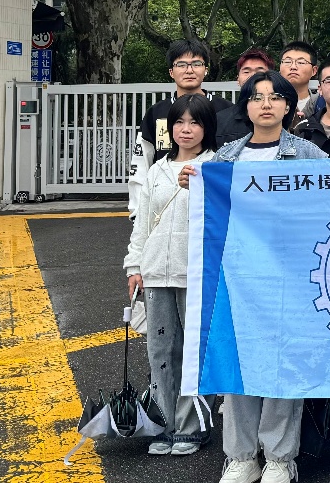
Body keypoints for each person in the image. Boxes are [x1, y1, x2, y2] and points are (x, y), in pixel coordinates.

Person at [180, 71, 327, 483]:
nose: (266, 104)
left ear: (288, 105)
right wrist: (193, 182)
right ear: (245, 106)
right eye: (257, 97)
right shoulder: (225, 157)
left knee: (284, 361)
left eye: (275, 96)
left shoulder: (309, 155)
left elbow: (328, 207)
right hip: (236, 276)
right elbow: (209, 211)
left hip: (290, 277)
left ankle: (280, 458)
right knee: (236, 359)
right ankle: (241, 456)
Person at [125, 93, 217, 456]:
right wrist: (135, 266)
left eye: (195, 122)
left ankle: (192, 427)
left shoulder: (216, 166)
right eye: (179, 122)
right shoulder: (156, 170)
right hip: (156, 273)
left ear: (207, 128)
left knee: (195, 351)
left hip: (196, 274)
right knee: (160, 350)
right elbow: (142, 224)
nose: (186, 129)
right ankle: (163, 423)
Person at [130, 38, 233, 217]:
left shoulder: (227, 110)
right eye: (181, 64)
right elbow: (141, 162)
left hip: (214, 205)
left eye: (196, 64)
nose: (189, 70)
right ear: (171, 72)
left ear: (206, 69)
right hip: (164, 205)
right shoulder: (156, 112)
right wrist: (137, 212)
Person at [216, 49, 276, 147]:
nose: (252, 76)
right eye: (246, 71)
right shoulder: (219, 120)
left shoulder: (281, 116)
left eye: (259, 71)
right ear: (238, 79)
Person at [279, 40, 318, 125]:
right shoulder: (269, 102)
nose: (293, 67)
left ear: (314, 71)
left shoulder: (321, 103)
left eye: (301, 62)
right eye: (287, 62)